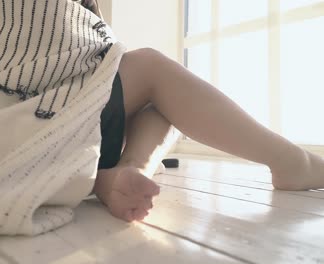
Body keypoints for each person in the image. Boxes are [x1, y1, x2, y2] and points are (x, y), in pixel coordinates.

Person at [83, 0, 324, 223]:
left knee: (164, 108)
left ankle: (127, 170)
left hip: (72, 122)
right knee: (152, 67)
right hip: (55, 110)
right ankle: (291, 161)